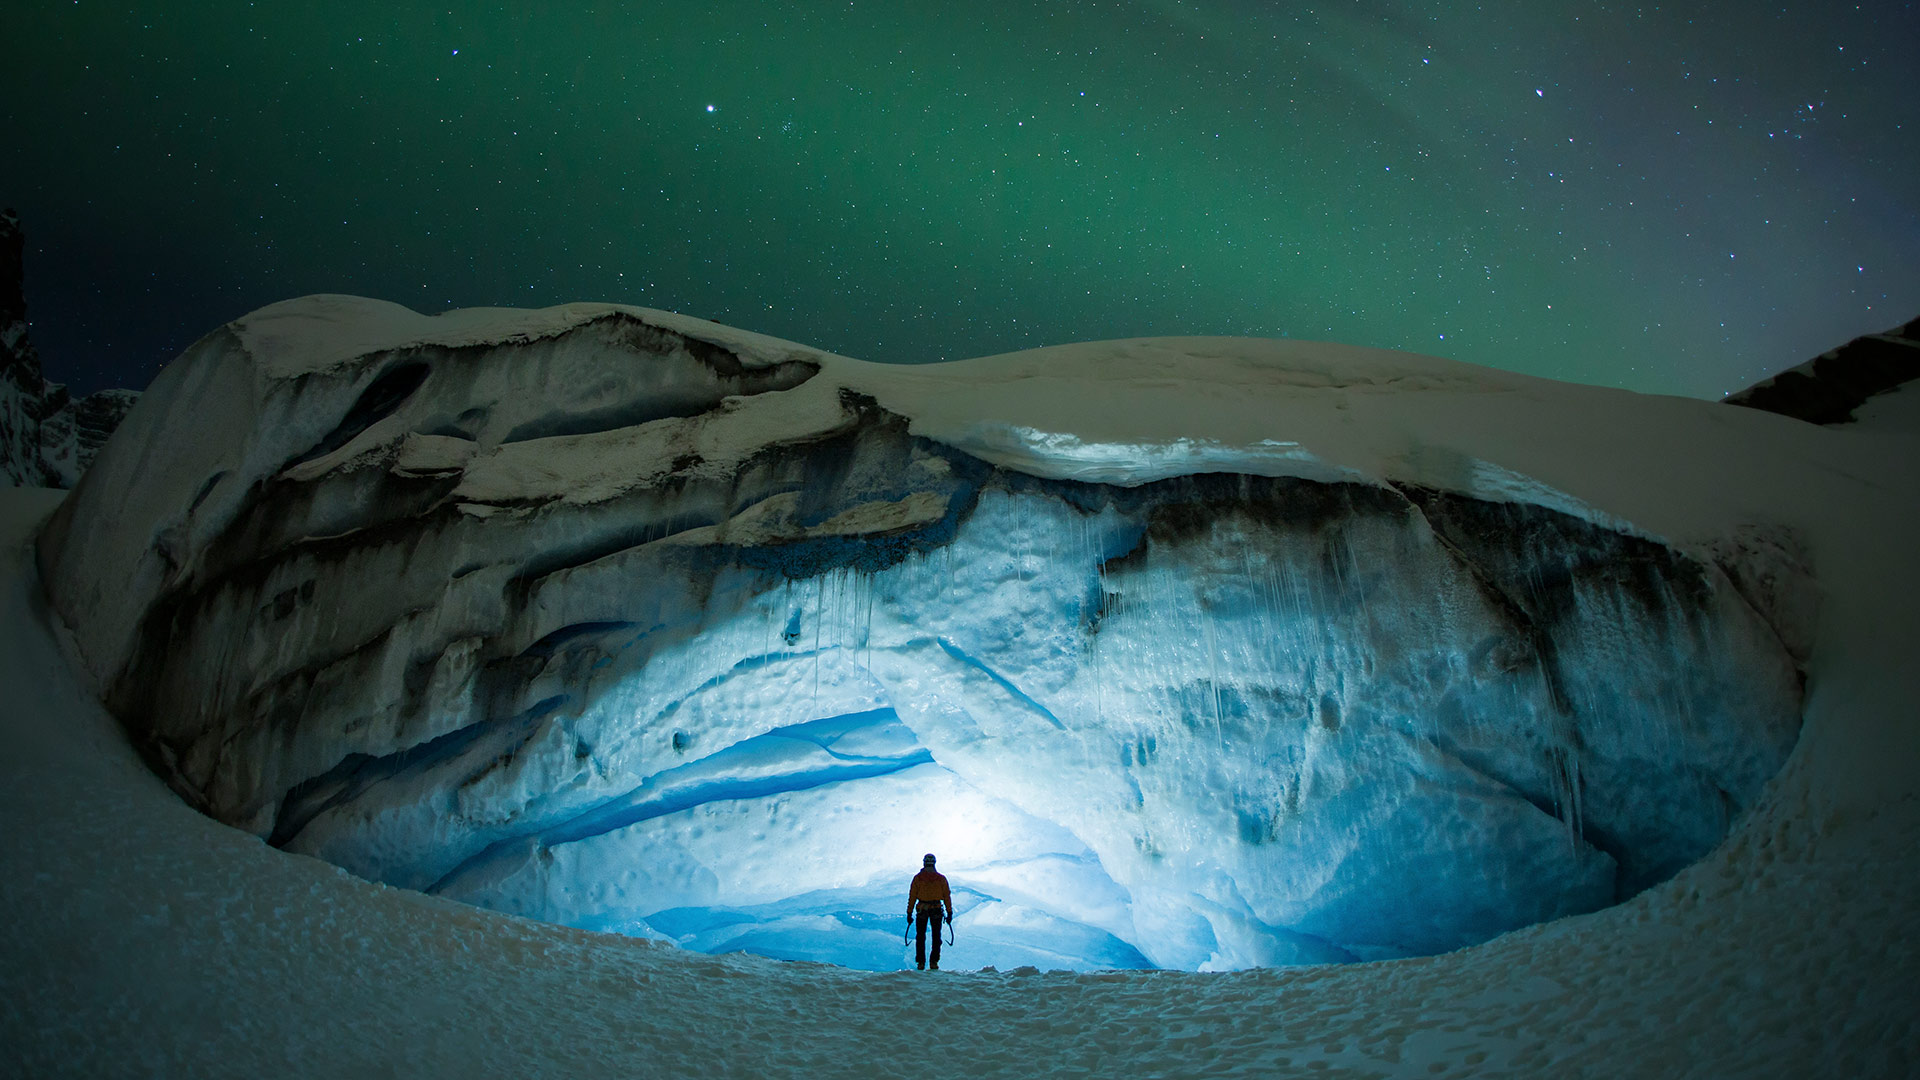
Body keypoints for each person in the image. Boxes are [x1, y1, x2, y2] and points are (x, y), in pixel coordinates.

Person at [906, 853, 953, 970]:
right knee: (936, 937)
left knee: (920, 937)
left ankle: (921, 962)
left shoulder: (918, 878)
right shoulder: (941, 879)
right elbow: (947, 896)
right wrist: (949, 912)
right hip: (936, 909)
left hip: (922, 909)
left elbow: (912, 896)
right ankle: (934, 962)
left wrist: (909, 912)